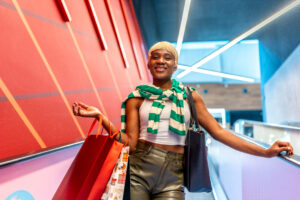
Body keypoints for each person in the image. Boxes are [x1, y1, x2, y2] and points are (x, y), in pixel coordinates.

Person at [72, 41, 293, 200]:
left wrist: (265, 152)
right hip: (138, 171)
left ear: (175, 66)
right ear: (148, 64)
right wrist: (100, 118)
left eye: (167, 57)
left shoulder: (189, 96)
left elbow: (220, 132)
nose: (161, 61)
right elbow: (129, 142)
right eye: (155, 56)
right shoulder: (136, 98)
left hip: (173, 174)